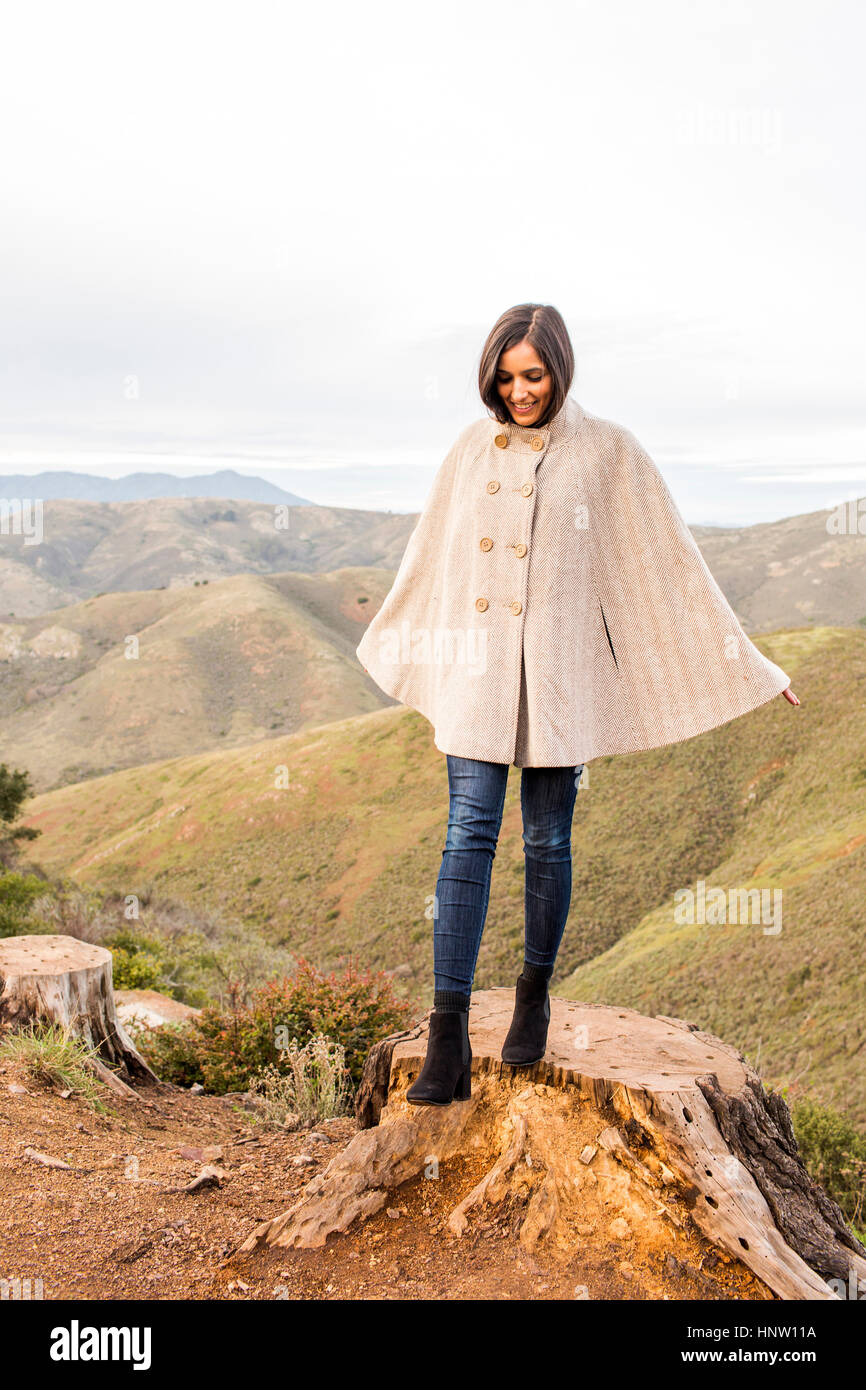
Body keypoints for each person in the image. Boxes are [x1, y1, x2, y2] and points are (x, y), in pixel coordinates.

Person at [356, 303, 800, 1106]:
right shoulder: (469, 450)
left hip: (557, 679)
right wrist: (405, 640)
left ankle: (533, 993)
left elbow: (668, 565)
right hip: (478, 677)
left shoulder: (608, 451)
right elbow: (434, 562)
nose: (519, 390)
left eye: (534, 374)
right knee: (467, 835)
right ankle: (448, 1033)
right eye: (506, 375)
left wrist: (750, 662)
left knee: (550, 840)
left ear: (561, 368)